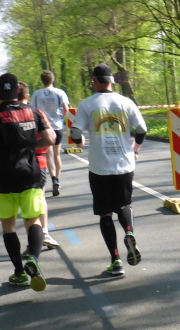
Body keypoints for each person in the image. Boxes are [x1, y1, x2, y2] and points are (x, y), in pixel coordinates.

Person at [0, 73, 55, 291]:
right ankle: (33, 259)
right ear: (18, 91)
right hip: (30, 173)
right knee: (33, 220)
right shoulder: (34, 111)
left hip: (3, 176)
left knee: (8, 226)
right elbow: (50, 139)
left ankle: (19, 272)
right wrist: (31, 146)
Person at [70, 63, 146, 277]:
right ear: (112, 81)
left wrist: (79, 141)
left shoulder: (87, 104)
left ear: (94, 81)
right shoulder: (126, 102)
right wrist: (135, 150)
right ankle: (129, 231)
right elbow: (141, 129)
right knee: (124, 204)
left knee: (105, 213)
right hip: (124, 164)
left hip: (99, 167)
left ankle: (116, 260)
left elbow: (75, 132)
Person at [17, 81, 59, 251]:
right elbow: (50, 138)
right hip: (38, 161)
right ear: (27, 96)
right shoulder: (37, 113)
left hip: (17, 163)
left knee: (26, 203)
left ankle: (33, 240)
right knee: (39, 198)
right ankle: (44, 232)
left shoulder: (7, 115)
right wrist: (35, 146)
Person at [31, 70, 70, 196]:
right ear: (53, 80)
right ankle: (57, 179)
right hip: (57, 126)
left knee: (48, 155)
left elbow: (33, 110)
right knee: (57, 155)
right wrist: (61, 119)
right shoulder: (60, 92)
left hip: (44, 128)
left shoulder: (37, 94)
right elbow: (66, 108)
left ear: (42, 81)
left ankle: (52, 177)